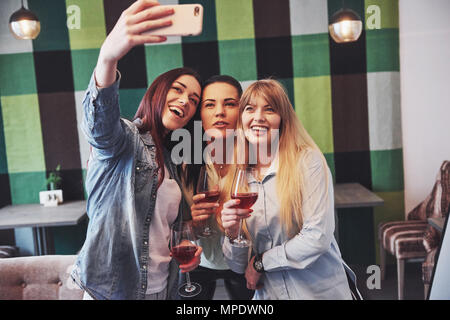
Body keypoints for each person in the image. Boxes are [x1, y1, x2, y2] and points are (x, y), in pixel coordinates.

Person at [70, 0, 203, 300]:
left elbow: (159, 232)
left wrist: (184, 253)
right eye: (178, 90)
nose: (185, 101)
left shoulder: (170, 159)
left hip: (159, 289)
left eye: (193, 99)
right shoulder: (125, 140)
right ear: (158, 91)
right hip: (114, 291)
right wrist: (107, 59)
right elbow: (98, 125)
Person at [220, 79, 359, 299]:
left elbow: (317, 237)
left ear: (283, 120)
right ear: (241, 119)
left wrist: (260, 263)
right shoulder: (237, 177)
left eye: (269, 109)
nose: (258, 117)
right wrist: (232, 233)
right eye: (250, 109)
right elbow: (238, 267)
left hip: (317, 292)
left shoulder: (307, 161)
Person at [180, 75, 254, 300]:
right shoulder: (184, 164)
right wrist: (193, 226)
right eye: (209, 105)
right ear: (199, 114)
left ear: (242, 112)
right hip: (200, 263)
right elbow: (173, 229)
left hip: (248, 262)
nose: (219, 112)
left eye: (230, 104)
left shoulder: (259, 160)